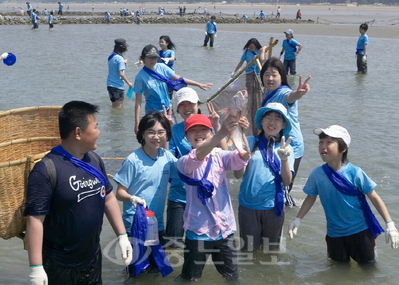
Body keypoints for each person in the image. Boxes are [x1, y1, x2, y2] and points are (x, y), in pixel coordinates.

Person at [24, 101, 132, 284]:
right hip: (59, 265)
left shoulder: (95, 161)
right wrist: (36, 267)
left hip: (92, 259)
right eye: (95, 127)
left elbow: (108, 197)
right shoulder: (46, 170)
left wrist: (122, 236)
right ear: (78, 133)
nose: (99, 132)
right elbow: (35, 220)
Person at [288, 125, 399, 263]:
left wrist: (390, 225)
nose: (323, 146)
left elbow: (374, 197)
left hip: (360, 231)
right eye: (321, 142)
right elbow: (310, 198)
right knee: (337, 270)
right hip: (334, 233)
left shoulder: (355, 173)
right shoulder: (317, 174)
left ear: (343, 148)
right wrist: (298, 219)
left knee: (368, 269)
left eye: (329, 142)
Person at [177, 113, 250, 281]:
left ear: (210, 132)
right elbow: (198, 156)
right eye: (193, 131)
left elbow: (243, 157)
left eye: (203, 129)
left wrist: (241, 132)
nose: (199, 133)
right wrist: (221, 132)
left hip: (224, 229)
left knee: (232, 277)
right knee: (189, 278)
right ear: (186, 137)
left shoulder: (219, 156)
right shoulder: (183, 162)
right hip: (198, 231)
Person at [166, 88, 225, 248]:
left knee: (203, 244)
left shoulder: (208, 125)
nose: (186, 108)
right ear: (177, 109)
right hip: (179, 194)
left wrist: (217, 126)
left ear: (198, 104)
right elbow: (168, 159)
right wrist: (167, 132)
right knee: (173, 245)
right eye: (182, 105)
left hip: (205, 197)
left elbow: (225, 155)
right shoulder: (175, 130)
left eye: (190, 104)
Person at [234, 103, 294, 252]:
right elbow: (237, 174)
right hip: (248, 205)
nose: (272, 122)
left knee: (270, 252)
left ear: (283, 124)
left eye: (277, 119)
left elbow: (287, 181)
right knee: (247, 251)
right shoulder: (249, 141)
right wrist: (243, 157)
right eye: (268, 117)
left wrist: (284, 158)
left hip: (273, 207)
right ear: (261, 121)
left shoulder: (286, 147)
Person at [114, 111, 177, 246]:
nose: (156, 137)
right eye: (150, 132)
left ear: (167, 134)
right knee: (135, 266)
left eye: (161, 132)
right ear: (142, 134)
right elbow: (119, 193)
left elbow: (186, 171)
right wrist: (132, 198)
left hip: (157, 224)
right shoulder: (132, 161)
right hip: (135, 223)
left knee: (157, 265)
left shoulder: (167, 157)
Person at [260, 57, 311, 207]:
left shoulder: (284, 93)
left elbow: (291, 97)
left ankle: (290, 213)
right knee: (276, 181)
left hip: (290, 144)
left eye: (274, 74)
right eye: (266, 74)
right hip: (275, 143)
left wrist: (299, 93)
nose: (270, 78)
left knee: (284, 189)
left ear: (282, 76)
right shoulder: (268, 93)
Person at [134, 44, 213, 134]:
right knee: (158, 138)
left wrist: (198, 84)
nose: (152, 60)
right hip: (153, 112)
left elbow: (179, 79)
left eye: (155, 57)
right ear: (143, 58)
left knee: (174, 134)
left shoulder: (162, 67)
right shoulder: (140, 77)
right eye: (149, 57)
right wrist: (137, 124)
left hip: (168, 109)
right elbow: (138, 103)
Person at [233, 38, 268, 134]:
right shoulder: (246, 52)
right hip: (248, 74)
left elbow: (262, 62)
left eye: (253, 47)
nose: (251, 49)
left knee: (257, 90)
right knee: (249, 90)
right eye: (250, 47)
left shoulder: (259, 51)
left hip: (257, 74)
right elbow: (241, 62)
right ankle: (250, 103)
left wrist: (261, 53)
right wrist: (235, 71)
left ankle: (257, 102)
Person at [107, 38, 133, 108]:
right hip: (118, 86)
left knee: (113, 107)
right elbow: (121, 73)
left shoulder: (111, 56)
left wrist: (123, 62)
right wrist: (129, 83)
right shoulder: (120, 59)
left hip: (110, 85)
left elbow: (114, 65)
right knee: (119, 109)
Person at [158, 35, 176, 99]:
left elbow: (173, 58)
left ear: (167, 43)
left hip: (169, 75)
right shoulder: (158, 52)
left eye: (162, 42)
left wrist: (167, 59)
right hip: (160, 74)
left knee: (169, 94)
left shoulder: (171, 52)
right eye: (160, 42)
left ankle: (170, 106)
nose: (160, 43)